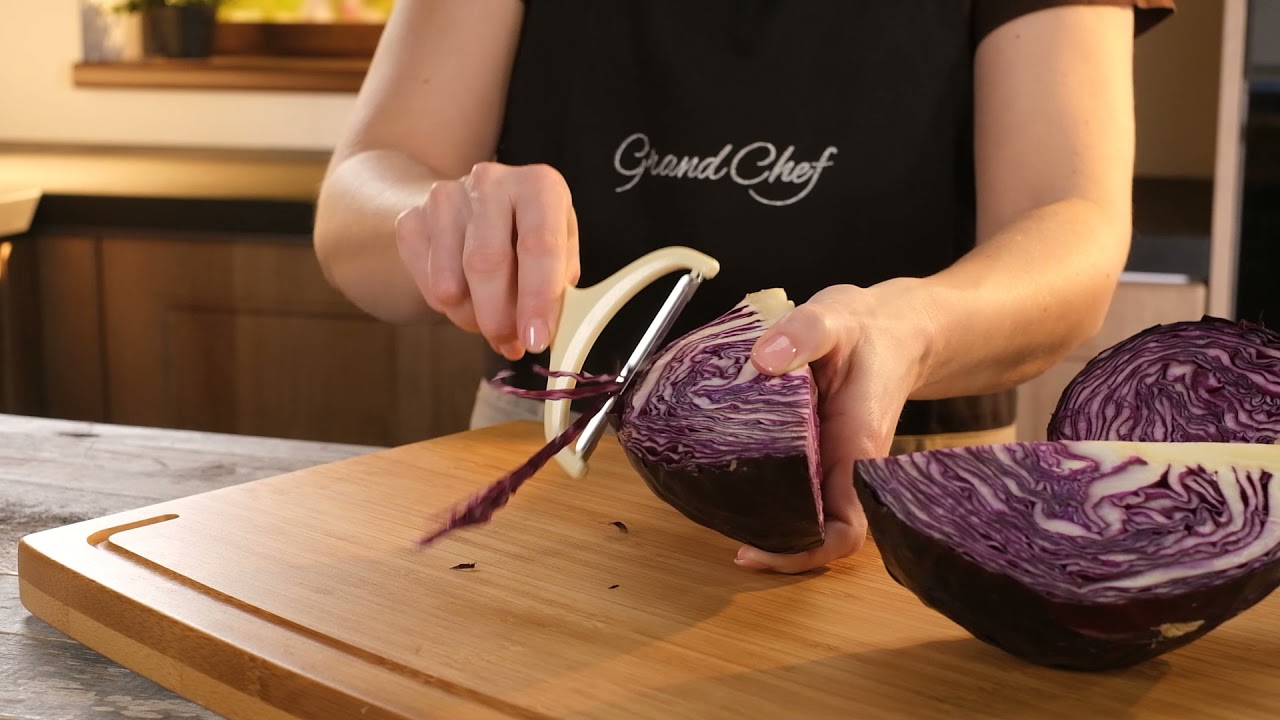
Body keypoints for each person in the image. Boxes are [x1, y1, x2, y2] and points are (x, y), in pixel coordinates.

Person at [313, 0, 1175, 575]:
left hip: (898, 477)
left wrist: (915, 327)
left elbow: (1072, 224)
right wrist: (433, 219)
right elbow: (360, 190)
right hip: (546, 461)